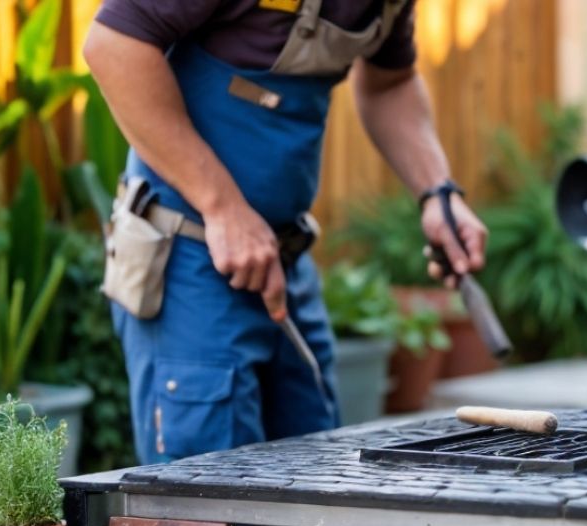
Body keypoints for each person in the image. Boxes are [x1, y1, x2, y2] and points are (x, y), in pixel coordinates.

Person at [83, 0, 487, 464]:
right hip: (188, 263)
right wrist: (224, 208)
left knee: (315, 477)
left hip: (285, 261)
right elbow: (112, 46)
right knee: (208, 503)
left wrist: (436, 192)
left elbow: (389, 82)